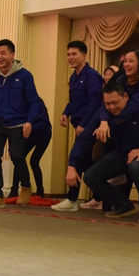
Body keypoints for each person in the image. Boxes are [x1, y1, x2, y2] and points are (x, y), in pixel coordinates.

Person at [78, 81, 139, 224]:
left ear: (125, 96)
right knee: (90, 176)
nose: (112, 107)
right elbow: (85, 137)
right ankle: (123, 205)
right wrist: (72, 165)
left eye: (115, 102)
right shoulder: (106, 115)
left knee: (136, 166)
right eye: (107, 104)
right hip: (122, 153)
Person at [0, 39, 41, 208]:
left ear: (12, 55)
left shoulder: (25, 76)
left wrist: (29, 121)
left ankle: (25, 185)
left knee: (16, 155)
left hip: (18, 124)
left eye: (3, 53)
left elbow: (34, 102)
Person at [52, 41, 104, 211]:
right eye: (68, 54)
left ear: (84, 55)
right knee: (86, 162)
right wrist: (65, 113)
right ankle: (101, 193)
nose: (70, 57)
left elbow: (95, 103)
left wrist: (83, 124)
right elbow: (74, 101)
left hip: (89, 125)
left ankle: (71, 199)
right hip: (79, 125)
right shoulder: (74, 77)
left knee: (75, 159)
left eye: (74, 54)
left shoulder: (92, 76)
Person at [8, 96, 52, 199]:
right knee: (18, 158)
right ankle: (14, 190)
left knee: (34, 161)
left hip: (43, 134)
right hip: (29, 135)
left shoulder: (36, 102)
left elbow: (43, 123)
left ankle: (40, 192)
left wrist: (27, 129)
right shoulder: (18, 102)